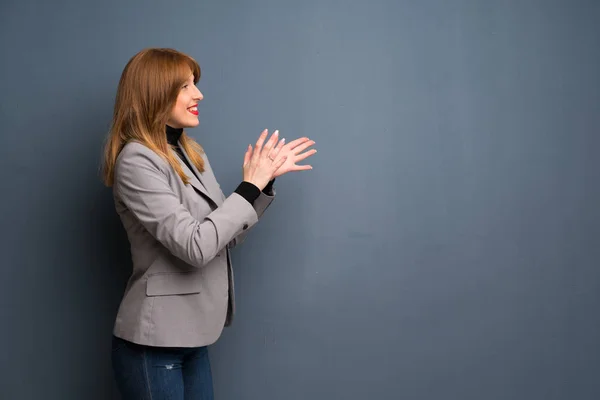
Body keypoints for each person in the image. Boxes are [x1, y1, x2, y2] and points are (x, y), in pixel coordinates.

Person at [101, 48, 316, 399]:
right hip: (155, 342)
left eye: (194, 84)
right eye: (185, 86)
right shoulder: (136, 161)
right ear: (156, 92)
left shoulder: (190, 153)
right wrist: (248, 187)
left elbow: (223, 237)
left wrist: (261, 185)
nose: (198, 94)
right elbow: (196, 247)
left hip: (194, 333)